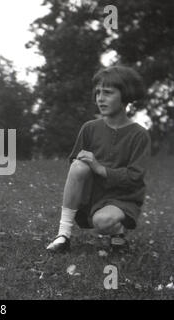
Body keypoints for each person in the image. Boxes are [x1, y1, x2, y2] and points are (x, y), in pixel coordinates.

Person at [46, 65, 151, 253]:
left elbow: (135, 177)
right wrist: (85, 171)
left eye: (108, 93)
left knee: (102, 221)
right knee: (78, 165)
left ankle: (118, 233)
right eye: (98, 93)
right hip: (93, 194)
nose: (100, 99)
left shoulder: (139, 135)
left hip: (123, 198)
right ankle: (63, 235)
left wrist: (99, 167)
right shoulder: (89, 128)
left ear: (125, 96)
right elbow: (75, 167)